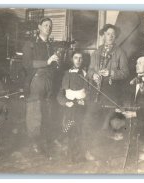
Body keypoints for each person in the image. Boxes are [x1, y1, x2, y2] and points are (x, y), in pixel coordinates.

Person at [83, 24, 129, 160]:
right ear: (103, 35)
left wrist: (111, 73)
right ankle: (90, 151)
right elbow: (90, 70)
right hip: (95, 94)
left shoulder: (120, 52)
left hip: (110, 94)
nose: (110, 37)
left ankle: (104, 156)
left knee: (106, 125)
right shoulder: (96, 52)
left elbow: (126, 73)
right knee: (89, 122)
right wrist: (94, 75)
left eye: (113, 35)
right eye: (108, 34)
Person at [21, 17, 59, 157]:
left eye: (50, 25)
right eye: (45, 25)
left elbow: (52, 65)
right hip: (36, 80)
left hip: (49, 80)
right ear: (39, 27)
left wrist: (55, 63)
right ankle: (35, 143)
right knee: (35, 113)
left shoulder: (50, 45)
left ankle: (47, 140)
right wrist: (47, 61)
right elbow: (27, 64)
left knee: (47, 111)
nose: (48, 28)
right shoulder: (30, 44)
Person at [57, 51, 88, 162]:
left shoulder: (85, 74)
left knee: (79, 129)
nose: (78, 60)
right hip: (69, 106)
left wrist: (84, 100)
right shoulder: (66, 74)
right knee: (72, 127)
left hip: (81, 106)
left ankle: (79, 155)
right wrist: (65, 102)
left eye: (80, 58)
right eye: (76, 58)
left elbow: (89, 92)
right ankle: (70, 155)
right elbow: (60, 94)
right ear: (72, 59)